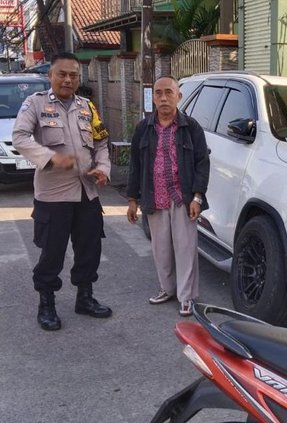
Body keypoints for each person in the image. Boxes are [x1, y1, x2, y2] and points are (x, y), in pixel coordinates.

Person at [12, 52, 112, 331]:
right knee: (52, 252)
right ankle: (47, 304)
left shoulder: (87, 107)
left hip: (87, 193)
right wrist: (50, 157)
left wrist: (103, 169)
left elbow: (102, 142)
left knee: (90, 249)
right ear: (50, 76)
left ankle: (85, 298)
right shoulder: (35, 103)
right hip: (53, 195)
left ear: (79, 78)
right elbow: (20, 137)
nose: (68, 79)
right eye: (62, 74)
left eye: (73, 75)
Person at [126, 75, 210, 317]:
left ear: (178, 96)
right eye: (159, 93)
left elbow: (202, 163)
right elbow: (135, 164)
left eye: (169, 93)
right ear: (153, 97)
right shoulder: (144, 128)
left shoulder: (190, 127)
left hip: (182, 198)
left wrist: (197, 197)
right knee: (161, 249)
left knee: (185, 249)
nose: (163, 97)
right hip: (154, 198)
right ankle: (167, 288)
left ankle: (187, 297)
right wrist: (133, 199)